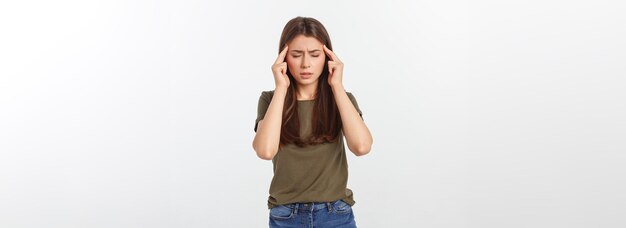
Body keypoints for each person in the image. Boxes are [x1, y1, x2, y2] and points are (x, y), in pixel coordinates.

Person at [253, 16, 373, 228]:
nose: (306, 64)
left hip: (335, 214)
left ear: (327, 57)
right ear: (283, 58)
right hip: (285, 216)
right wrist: (281, 88)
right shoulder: (270, 99)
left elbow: (361, 147)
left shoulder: (342, 99)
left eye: (315, 55)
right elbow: (265, 151)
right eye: (296, 55)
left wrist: (337, 86)